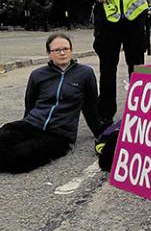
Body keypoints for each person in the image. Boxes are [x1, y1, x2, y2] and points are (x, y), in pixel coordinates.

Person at [0, 34, 103, 173]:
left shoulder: (85, 73)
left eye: (66, 49)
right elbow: (30, 103)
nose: (62, 53)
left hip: (59, 133)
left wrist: (100, 132)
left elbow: (90, 106)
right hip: (33, 124)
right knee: (5, 135)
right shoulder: (38, 74)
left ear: (71, 51)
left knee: (19, 158)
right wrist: (24, 129)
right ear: (49, 53)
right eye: (57, 50)